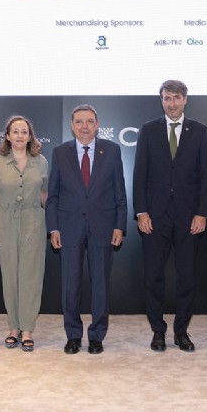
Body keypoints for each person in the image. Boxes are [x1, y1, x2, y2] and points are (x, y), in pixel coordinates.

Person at [133, 79, 207, 352]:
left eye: (177, 98)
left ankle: (181, 331)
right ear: (162, 100)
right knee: (153, 277)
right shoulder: (148, 130)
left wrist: (202, 213)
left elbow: (205, 175)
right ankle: (158, 330)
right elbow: (139, 174)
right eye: (167, 98)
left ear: (185, 100)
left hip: (189, 217)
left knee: (187, 278)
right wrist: (141, 211)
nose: (172, 103)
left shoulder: (199, 131)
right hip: (154, 217)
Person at [46, 105, 127, 355]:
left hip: (103, 227)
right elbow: (53, 195)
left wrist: (119, 225)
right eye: (79, 122)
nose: (84, 126)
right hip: (69, 227)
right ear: (72, 126)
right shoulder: (60, 152)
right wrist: (53, 228)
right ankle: (73, 335)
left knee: (100, 284)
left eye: (89, 121)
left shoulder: (111, 150)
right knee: (70, 285)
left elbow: (119, 192)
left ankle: (96, 335)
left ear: (97, 125)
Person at [0, 115, 49, 352]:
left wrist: (54, 223)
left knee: (31, 276)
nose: (20, 136)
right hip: (5, 222)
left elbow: (45, 195)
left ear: (30, 136)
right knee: (10, 276)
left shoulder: (41, 162)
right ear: (8, 136)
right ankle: (13, 327)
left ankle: (27, 328)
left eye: (24, 132)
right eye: (15, 131)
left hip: (34, 221)